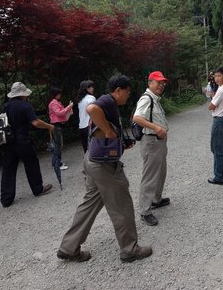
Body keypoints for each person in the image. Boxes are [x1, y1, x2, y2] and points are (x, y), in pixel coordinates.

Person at [57, 75, 152, 263]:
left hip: (92, 159)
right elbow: (91, 109)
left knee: (90, 203)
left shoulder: (111, 105)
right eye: (127, 91)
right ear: (118, 90)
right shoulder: (107, 100)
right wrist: (108, 131)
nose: (128, 95)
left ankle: (68, 247)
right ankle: (129, 248)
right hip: (103, 165)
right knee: (121, 203)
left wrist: (118, 140)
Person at [0, 82, 54, 208]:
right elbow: (35, 122)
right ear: (22, 94)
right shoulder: (25, 105)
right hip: (22, 140)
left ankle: (6, 198)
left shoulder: (6, 106)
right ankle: (37, 189)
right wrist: (49, 126)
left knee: (8, 168)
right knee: (31, 163)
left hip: (8, 141)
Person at [132, 71, 170, 227]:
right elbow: (137, 117)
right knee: (150, 176)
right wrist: (156, 128)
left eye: (163, 83)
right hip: (152, 142)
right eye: (158, 82)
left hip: (158, 142)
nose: (161, 85)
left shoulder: (155, 98)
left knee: (161, 172)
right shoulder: (147, 98)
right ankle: (145, 211)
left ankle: (156, 199)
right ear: (150, 83)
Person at [48, 87, 73, 170]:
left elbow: (63, 113)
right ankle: (58, 164)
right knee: (57, 145)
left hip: (58, 125)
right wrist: (69, 107)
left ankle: (55, 162)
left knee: (57, 145)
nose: (60, 95)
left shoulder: (56, 102)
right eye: (58, 94)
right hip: (56, 125)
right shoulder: (53, 103)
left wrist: (69, 108)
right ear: (55, 94)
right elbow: (59, 113)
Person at [77, 80, 96, 153]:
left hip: (81, 126)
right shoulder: (91, 98)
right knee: (93, 148)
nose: (93, 88)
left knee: (86, 150)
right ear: (87, 88)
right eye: (91, 87)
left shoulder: (80, 100)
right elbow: (95, 112)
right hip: (90, 125)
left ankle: (87, 163)